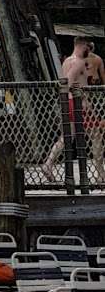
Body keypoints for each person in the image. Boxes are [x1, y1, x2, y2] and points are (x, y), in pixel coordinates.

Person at [44, 36, 105, 185]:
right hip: (79, 103)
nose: (88, 51)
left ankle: (48, 163)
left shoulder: (66, 61)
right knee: (96, 135)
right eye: (87, 48)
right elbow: (69, 82)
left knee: (66, 136)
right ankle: (101, 173)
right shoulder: (78, 63)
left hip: (69, 102)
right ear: (82, 46)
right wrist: (82, 100)